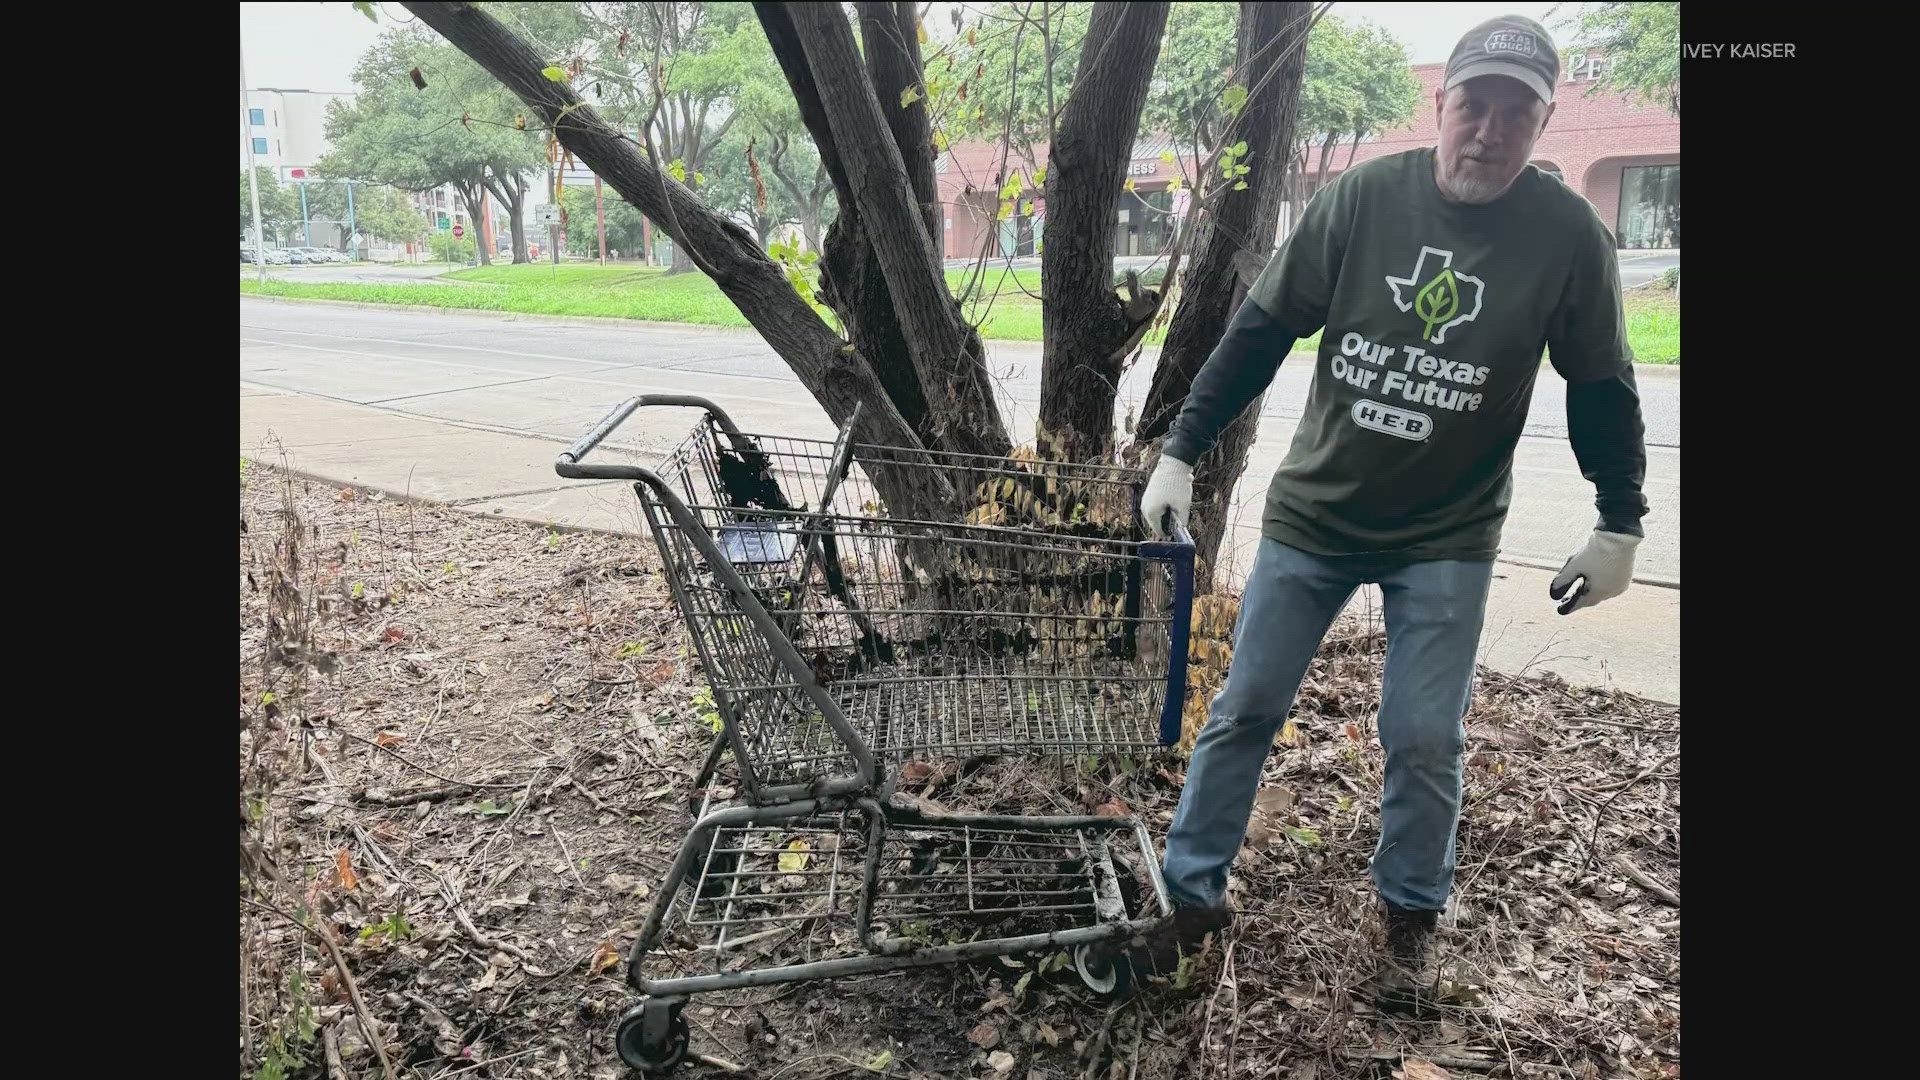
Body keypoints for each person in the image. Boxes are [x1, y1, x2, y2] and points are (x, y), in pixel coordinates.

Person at [1139, 15, 1648, 1010]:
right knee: (1244, 708)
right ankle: (1189, 896)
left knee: (1423, 733)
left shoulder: (1567, 241)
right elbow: (1261, 329)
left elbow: (1602, 387)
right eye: (1474, 105)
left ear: (1545, 122)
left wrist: (1620, 520)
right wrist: (1180, 451)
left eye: (1516, 113)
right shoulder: (1366, 198)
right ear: (1442, 105)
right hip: (1316, 516)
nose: (1489, 133)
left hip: (1446, 533)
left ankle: (1409, 919)